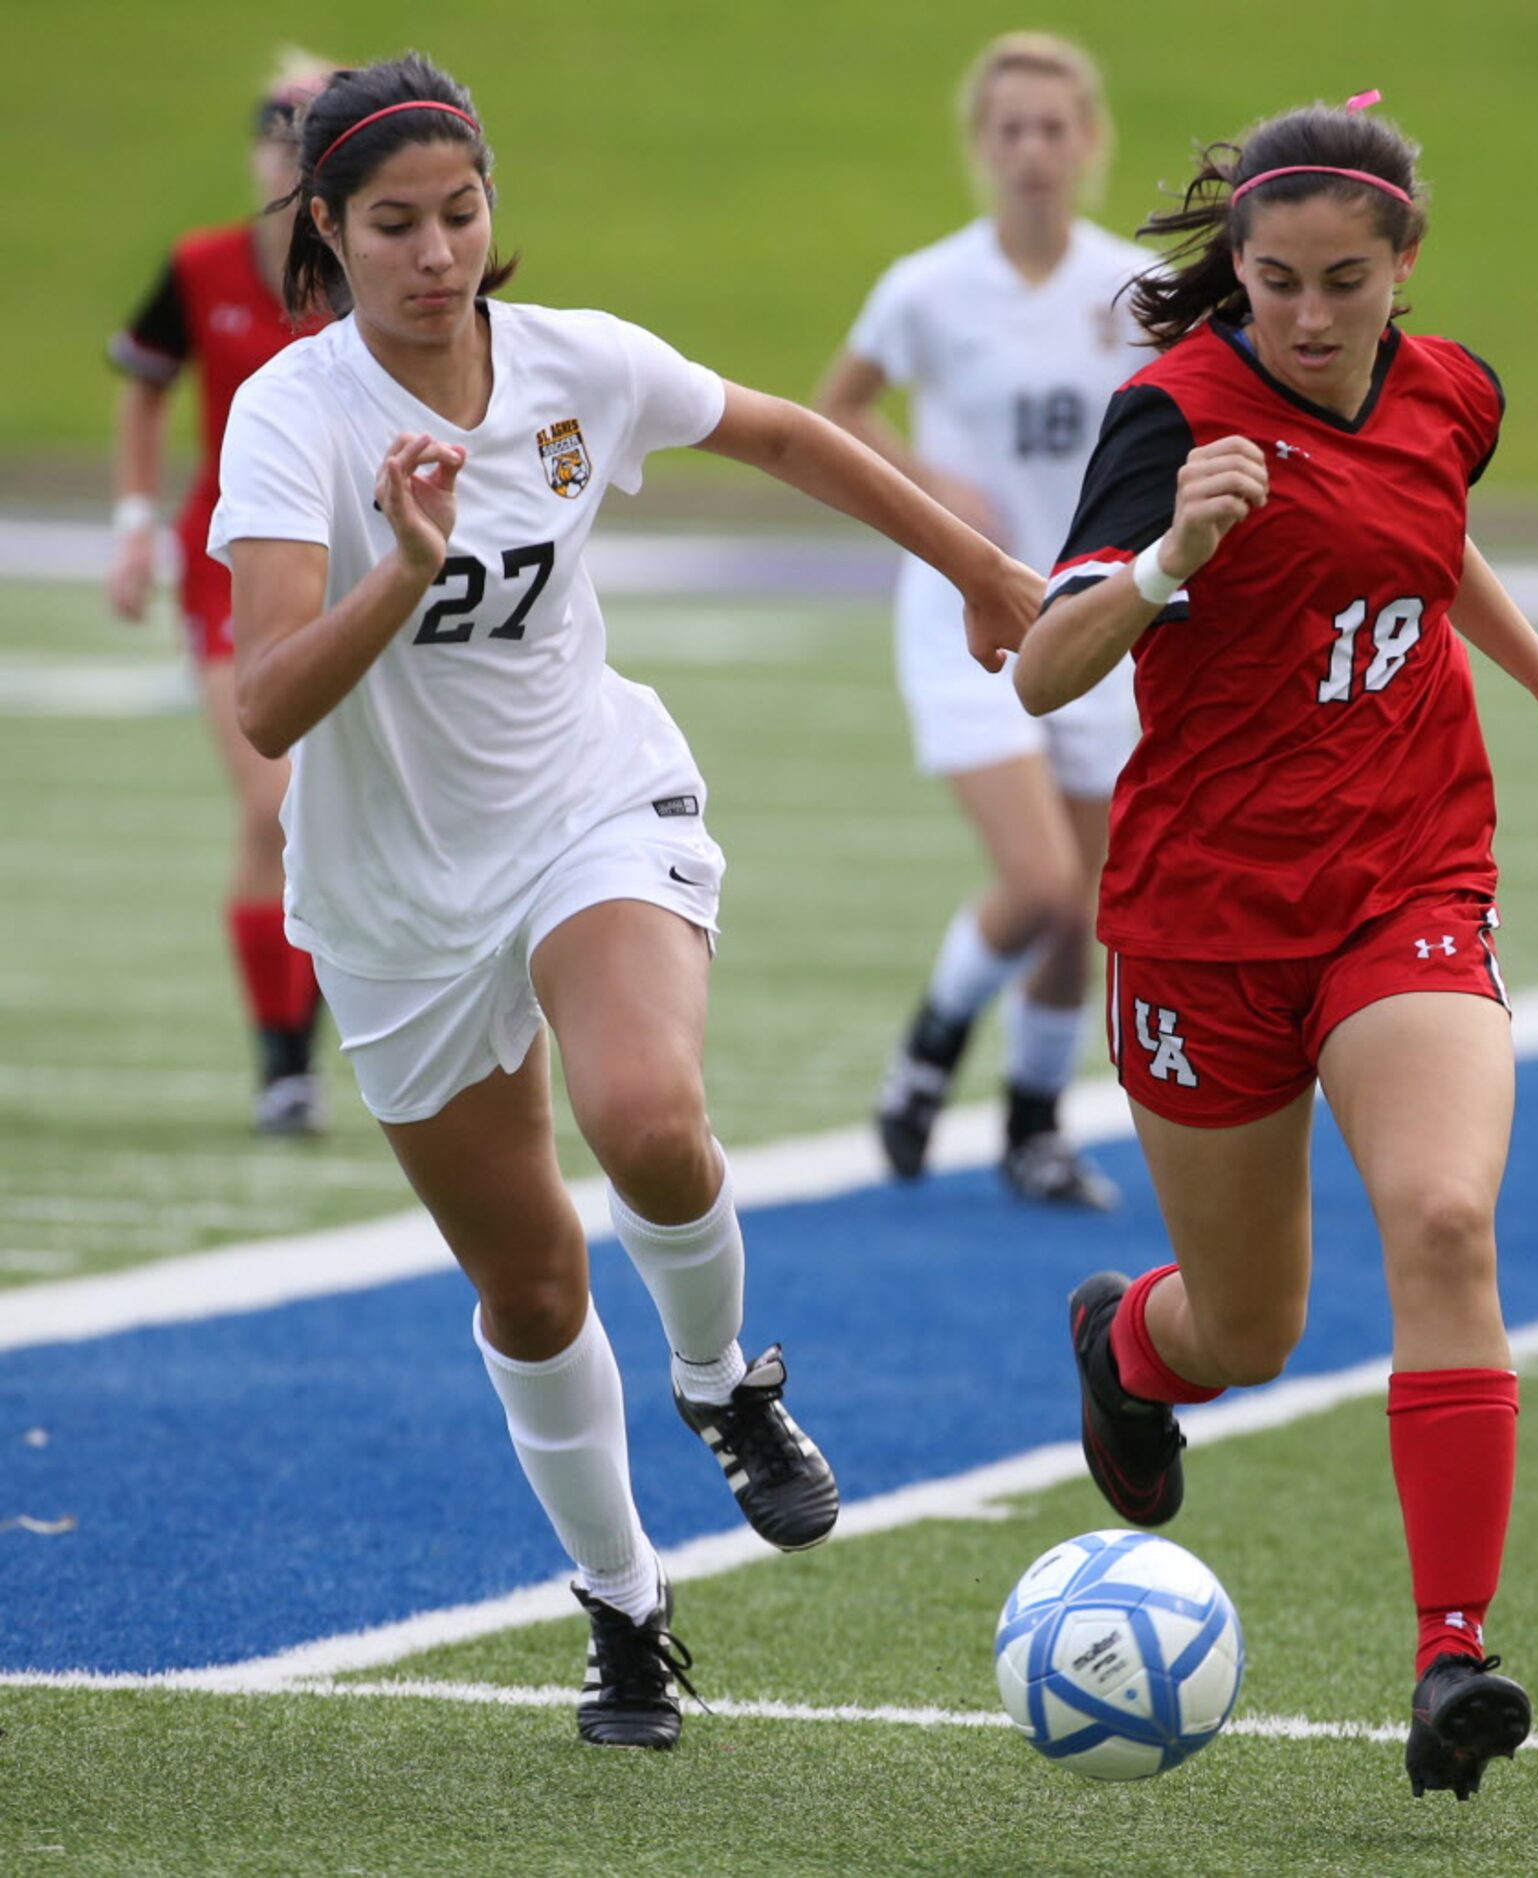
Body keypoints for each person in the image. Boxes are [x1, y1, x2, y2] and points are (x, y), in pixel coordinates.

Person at [208, 52, 1038, 1750]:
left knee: (649, 1118)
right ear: (327, 233)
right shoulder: (293, 416)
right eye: (391, 224)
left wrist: (980, 570)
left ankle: (726, 1380)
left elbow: (789, 430)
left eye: (460, 211)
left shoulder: (578, 363)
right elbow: (270, 700)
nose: (436, 251)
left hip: (590, 800)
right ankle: (623, 1606)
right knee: (525, 1286)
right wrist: (405, 571)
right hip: (391, 895)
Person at [1013, 94, 1538, 1800]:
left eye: (1343, 283)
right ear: (1233, 262)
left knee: (1443, 1218)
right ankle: (1128, 1346)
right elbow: (1041, 669)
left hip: (1404, 878)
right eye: (1276, 279)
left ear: (1401, 269)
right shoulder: (1169, 416)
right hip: (1202, 920)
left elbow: (1423, 529)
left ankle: (1452, 1654)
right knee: (1248, 1329)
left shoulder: (1454, 388)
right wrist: (1169, 556)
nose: (1307, 315)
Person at [819, 33, 1151, 1208]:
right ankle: (926, 1055)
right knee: (1041, 880)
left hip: (1090, 613)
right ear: (981, 146)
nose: (1032, 151)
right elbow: (838, 409)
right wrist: (928, 486)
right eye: (1009, 129)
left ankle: (1032, 1125)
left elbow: (1186, 418)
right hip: (966, 610)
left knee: (1089, 905)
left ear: (1089, 142)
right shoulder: (927, 286)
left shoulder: (1131, 290)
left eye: (1054, 128)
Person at [107, 51, 337, 1135]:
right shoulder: (202, 266)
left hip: (356, 562)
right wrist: (132, 526)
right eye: (274, 130)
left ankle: (324, 1036)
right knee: (271, 800)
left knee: (345, 815)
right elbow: (146, 386)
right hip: (226, 564)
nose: (285, 152)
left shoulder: (367, 270)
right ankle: (283, 1060)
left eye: (309, 131)